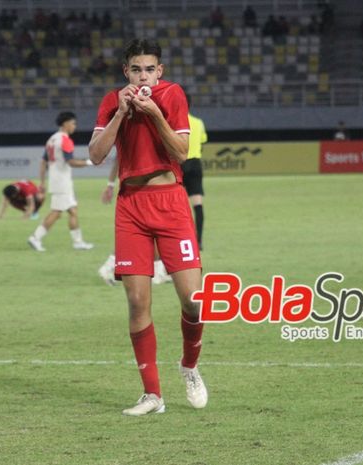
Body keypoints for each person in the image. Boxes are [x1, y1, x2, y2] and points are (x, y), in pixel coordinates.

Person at [89, 38, 207, 416]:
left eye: (149, 70)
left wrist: (153, 112)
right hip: (131, 207)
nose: (143, 76)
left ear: (160, 71)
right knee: (138, 301)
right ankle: (152, 394)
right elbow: (95, 155)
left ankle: (189, 365)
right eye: (136, 69)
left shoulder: (172, 96)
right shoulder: (112, 101)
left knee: (194, 301)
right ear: (126, 72)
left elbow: (180, 153)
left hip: (170, 201)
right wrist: (121, 113)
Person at [97, 157, 172, 286]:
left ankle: (158, 271)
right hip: (142, 191)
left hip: (144, 190)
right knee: (152, 231)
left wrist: (110, 185)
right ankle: (109, 267)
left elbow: (118, 159)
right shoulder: (140, 141)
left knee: (150, 232)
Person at [28, 111, 94, 252]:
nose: (74, 126)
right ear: (66, 123)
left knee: (72, 211)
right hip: (62, 182)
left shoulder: (52, 139)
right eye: (73, 123)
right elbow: (70, 162)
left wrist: (42, 181)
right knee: (57, 212)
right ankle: (36, 237)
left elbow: (43, 161)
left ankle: (78, 242)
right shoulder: (65, 140)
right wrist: (89, 162)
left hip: (56, 179)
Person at [183, 95, 208, 251]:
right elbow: (202, 142)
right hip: (195, 164)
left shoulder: (173, 122)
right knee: (198, 205)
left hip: (179, 164)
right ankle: (198, 241)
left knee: (174, 206)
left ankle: (179, 240)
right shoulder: (198, 122)